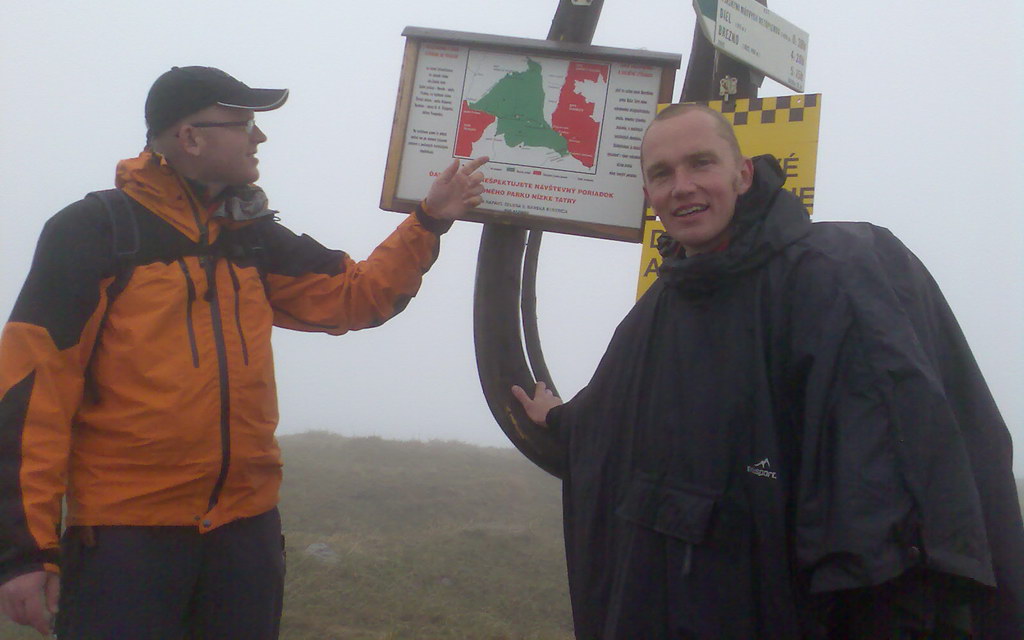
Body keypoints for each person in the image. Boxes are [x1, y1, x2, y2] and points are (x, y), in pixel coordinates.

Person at [0, 65, 487, 639]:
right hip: (127, 537)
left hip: (245, 532)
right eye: (243, 123)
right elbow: (33, 394)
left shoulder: (249, 234)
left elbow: (355, 297)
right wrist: (26, 554)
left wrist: (428, 221)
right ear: (190, 137)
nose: (259, 138)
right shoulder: (94, 232)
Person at [513, 103, 1024, 638]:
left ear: (743, 173)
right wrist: (563, 422)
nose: (683, 186)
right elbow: (624, 408)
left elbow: (884, 499)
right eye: (663, 174)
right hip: (696, 602)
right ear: (649, 195)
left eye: (701, 163)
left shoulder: (828, 275)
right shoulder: (670, 299)